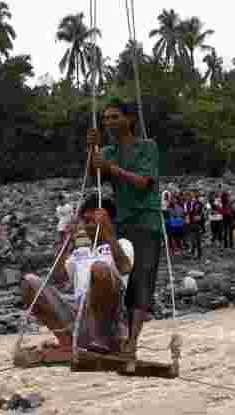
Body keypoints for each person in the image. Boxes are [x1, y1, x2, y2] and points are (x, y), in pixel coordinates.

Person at [88, 98, 164, 359]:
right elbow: (94, 174)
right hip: (122, 222)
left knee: (142, 280)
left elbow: (144, 182)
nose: (109, 122)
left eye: (114, 117)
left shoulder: (148, 147)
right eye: (106, 118)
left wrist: (112, 168)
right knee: (122, 277)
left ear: (129, 119)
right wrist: (92, 149)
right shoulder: (108, 152)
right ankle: (114, 335)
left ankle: (132, 342)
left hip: (147, 221)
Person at [19, 196, 134, 362]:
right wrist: (67, 242)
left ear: (108, 221)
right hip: (81, 317)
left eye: (94, 220)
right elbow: (58, 279)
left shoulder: (122, 244)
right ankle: (67, 344)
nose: (89, 225)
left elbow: (124, 268)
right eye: (86, 221)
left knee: (99, 269)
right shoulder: (80, 253)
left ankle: (101, 341)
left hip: (111, 321)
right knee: (29, 282)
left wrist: (108, 232)